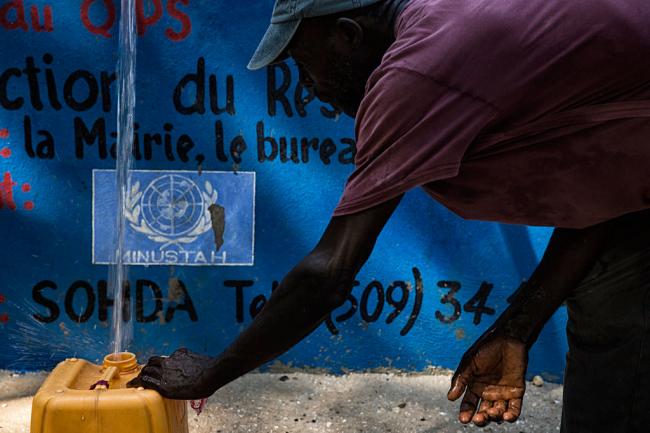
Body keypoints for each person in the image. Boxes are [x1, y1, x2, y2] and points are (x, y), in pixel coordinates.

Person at [128, 0, 650, 430]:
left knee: (615, 316)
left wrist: (214, 371)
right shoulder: (452, 25)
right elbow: (611, 194)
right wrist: (517, 328)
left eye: (302, 62)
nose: (308, 87)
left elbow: (329, 272)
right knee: (609, 292)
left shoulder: (419, 71)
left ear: (348, 34)